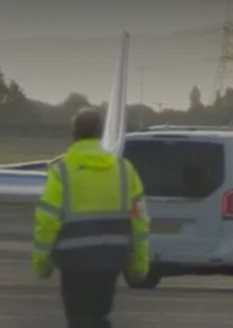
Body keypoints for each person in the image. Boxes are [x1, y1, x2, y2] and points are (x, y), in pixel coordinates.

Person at [31, 107, 151, 328]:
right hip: (111, 260)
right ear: (100, 132)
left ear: (74, 133)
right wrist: (138, 265)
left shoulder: (62, 171)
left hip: (74, 262)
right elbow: (140, 221)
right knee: (98, 316)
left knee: (79, 319)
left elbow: (47, 221)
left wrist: (42, 264)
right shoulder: (124, 169)